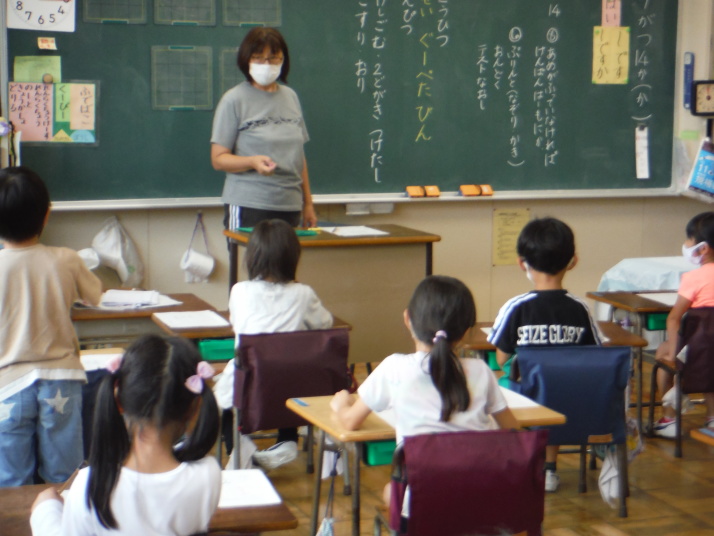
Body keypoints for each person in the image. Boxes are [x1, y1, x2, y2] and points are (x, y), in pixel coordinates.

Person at [331, 275, 519, 507]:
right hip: (480, 504)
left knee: (392, 492)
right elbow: (514, 432)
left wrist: (341, 403)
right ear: (467, 331)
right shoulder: (481, 371)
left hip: (421, 507)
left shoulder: (394, 368)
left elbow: (350, 422)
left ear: (407, 318)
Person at [30, 335, 222, 536]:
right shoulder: (208, 474)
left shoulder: (90, 486)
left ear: (118, 401)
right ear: (194, 407)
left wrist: (45, 511)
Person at [0, 166, 102, 488]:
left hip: (7, 386)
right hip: (62, 380)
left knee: (11, 481)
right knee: (64, 476)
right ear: (46, 215)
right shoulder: (66, 259)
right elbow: (95, 295)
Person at [487, 216, 602, 493]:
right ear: (573, 262)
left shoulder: (516, 307)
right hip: (572, 403)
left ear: (521, 263)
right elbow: (595, 356)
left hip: (525, 399)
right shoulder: (581, 309)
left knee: (501, 388)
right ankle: (549, 468)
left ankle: (520, 461)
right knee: (555, 389)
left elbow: (501, 359)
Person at [214, 218, 332, 469]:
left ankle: (238, 447)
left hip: (248, 387)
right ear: (293, 257)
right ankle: (287, 439)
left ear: (252, 257)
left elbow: (238, 325)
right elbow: (325, 324)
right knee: (288, 369)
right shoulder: (304, 294)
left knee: (223, 397)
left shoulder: (239, 291)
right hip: (292, 391)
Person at [211, 27, 317, 231]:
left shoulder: (290, 97)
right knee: (253, 253)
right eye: (258, 58)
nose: (266, 64)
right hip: (250, 204)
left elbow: (298, 156)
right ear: (246, 60)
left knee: (286, 254)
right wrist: (252, 162)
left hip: (290, 205)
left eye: (273, 58)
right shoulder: (234, 100)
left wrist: (308, 203)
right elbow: (218, 159)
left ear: (283, 60)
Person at [653, 211, 714, 438]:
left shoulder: (694, 278)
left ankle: (669, 418)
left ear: (703, 248)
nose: (686, 244)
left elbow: (674, 318)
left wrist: (672, 350)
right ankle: (712, 417)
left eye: (689, 239)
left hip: (698, 355)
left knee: (663, 353)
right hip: (708, 357)